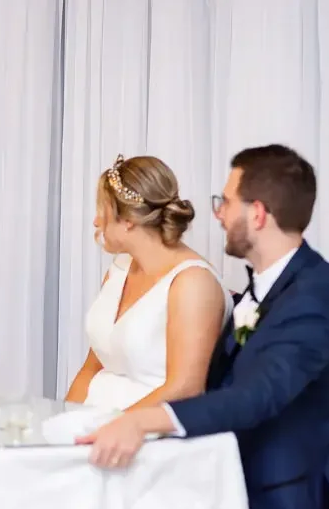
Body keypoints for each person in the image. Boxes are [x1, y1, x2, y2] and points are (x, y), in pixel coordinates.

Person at [78, 144, 329, 509]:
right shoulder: (266, 288)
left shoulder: (316, 293)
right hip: (218, 461)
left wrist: (137, 420)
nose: (217, 214)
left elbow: (257, 395)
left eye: (225, 202)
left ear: (258, 214)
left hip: (271, 494)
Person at [65, 154, 232, 412]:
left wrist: (108, 430)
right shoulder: (119, 270)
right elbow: (91, 369)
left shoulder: (193, 283)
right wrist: (59, 425)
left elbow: (186, 388)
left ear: (129, 219)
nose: (96, 222)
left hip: (148, 435)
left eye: (103, 211)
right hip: (91, 427)